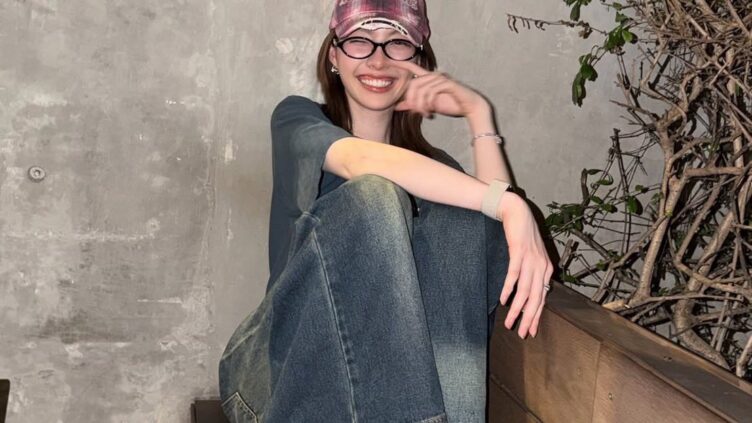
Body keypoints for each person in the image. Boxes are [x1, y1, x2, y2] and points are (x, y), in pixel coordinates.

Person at [218, 1, 554, 422]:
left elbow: (495, 241)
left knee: (466, 219)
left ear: (419, 63)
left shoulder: (438, 172)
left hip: (375, 395)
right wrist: (508, 203)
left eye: (397, 43)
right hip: (276, 377)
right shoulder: (299, 119)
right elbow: (361, 161)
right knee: (374, 195)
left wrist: (478, 115)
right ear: (334, 55)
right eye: (360, 41)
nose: (378, 59)